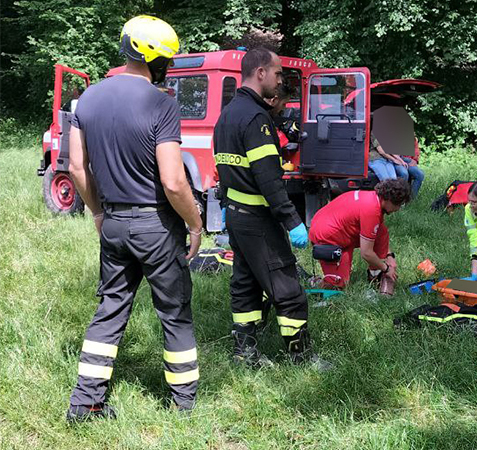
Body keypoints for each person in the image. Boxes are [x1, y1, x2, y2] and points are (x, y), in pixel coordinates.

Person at [65, 15, 202, 422]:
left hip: (115, 224)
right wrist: (196, 225)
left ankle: (85, 404)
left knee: (110, 309)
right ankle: (184, 405)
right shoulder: (162, 103)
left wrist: (97, 211)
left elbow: (76, 167)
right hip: (156, 226)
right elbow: (175, 182)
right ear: (154, 59)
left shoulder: (87, 99)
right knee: (174, 311)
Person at [214, 47, 315, 368]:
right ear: (260, 73)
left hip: (236, 217)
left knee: (245, 284)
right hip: (259, 220)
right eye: (278, 73)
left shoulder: (228, 114)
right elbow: (269, 180)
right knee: (287, 288)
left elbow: (227, 170)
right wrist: (292, 220)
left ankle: (245, 354)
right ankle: (302, 357)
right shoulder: (256, 118)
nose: (280, 80)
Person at [309, 179, 411, 290]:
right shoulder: (371, 210)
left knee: (381, 232)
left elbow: (380, 234)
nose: (397, 209)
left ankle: (374, 273)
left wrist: (389, 256)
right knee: (337, 284)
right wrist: (386, 268)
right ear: (390, 200)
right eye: (399, 205)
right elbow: (366, 253)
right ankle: (314, 281)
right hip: (326, 237)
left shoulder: (374, 198)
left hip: (340, 232)